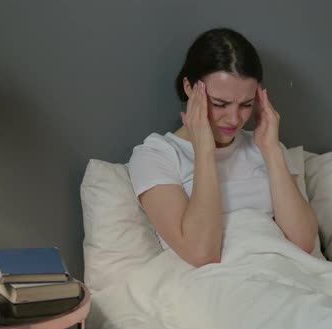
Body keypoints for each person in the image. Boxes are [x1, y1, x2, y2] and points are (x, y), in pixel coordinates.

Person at [128, 28, 318, 267]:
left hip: (282, 273)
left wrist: (271, 151)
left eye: (246, 104)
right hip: (218, 286)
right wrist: (205, 151)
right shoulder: (156, 155)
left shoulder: (267, 147)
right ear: (189, 87)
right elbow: (202, 254)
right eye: (220, 104)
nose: (233, 119)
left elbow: (303, 243)